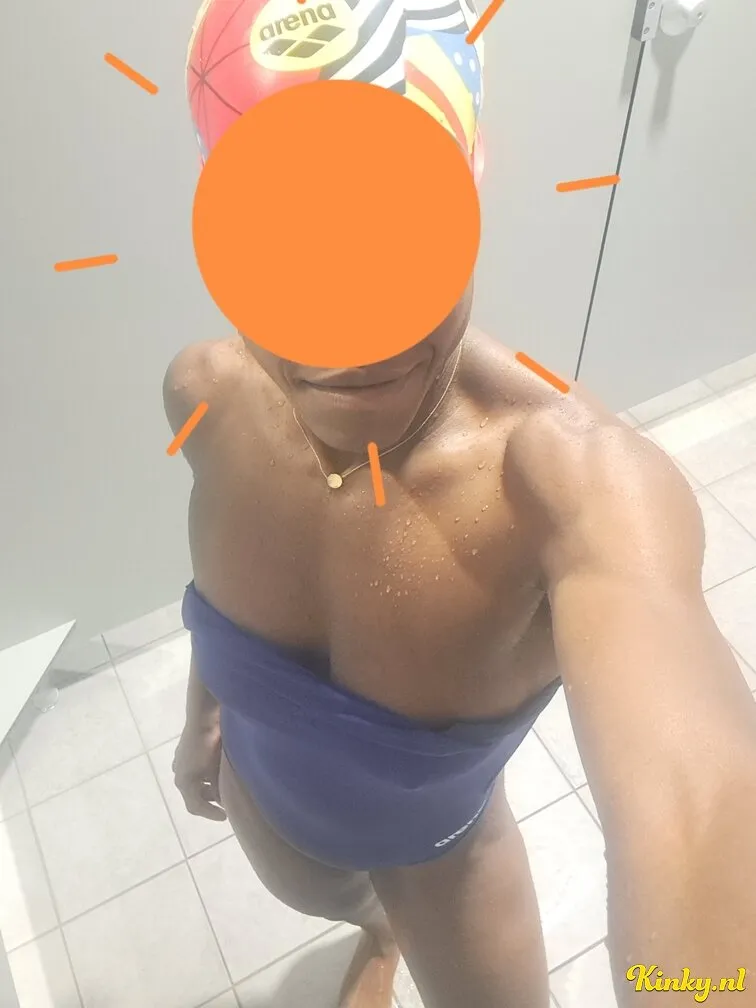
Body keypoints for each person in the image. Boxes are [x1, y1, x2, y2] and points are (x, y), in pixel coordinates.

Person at [169, 1, 756, 1005]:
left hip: (443, 869)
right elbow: (216, 594)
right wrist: (202, 717)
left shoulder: (571, 485)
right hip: (269, 810)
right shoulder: (204, 396)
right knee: (353, 908)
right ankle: (376, 937)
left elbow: (702, 812)